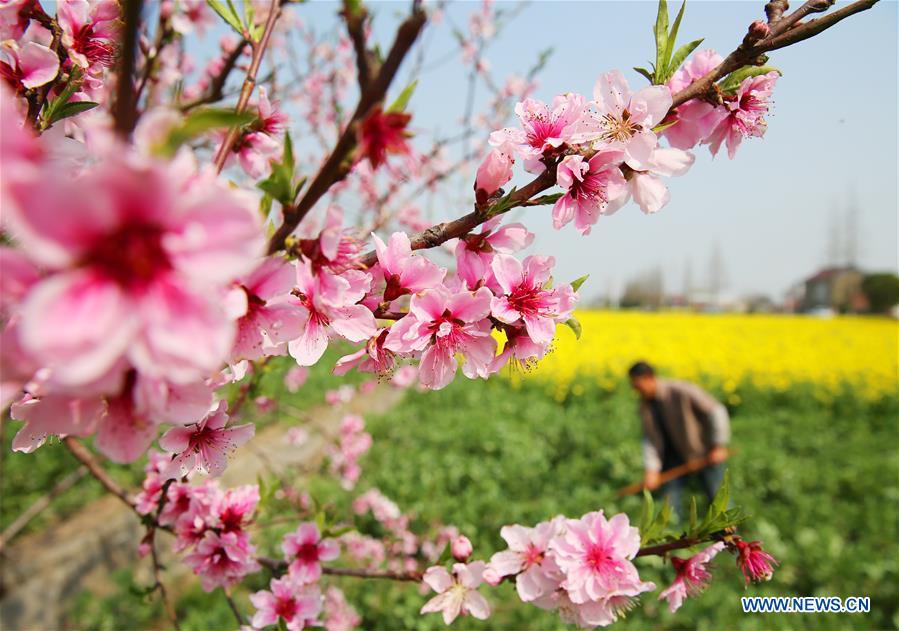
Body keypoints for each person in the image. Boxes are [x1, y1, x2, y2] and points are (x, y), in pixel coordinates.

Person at [628, 361, 730, 517]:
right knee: (670, 506)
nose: (636, 390)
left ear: (649, 378)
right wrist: (652, 469)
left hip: (705, 453)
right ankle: (674, 536)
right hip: (674, 459)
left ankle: (730, 538)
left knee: (719, 500)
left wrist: (719, 445)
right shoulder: (645, 406)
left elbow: (716, 411)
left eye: (637, 385)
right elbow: (650, 439)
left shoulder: (681, 390)